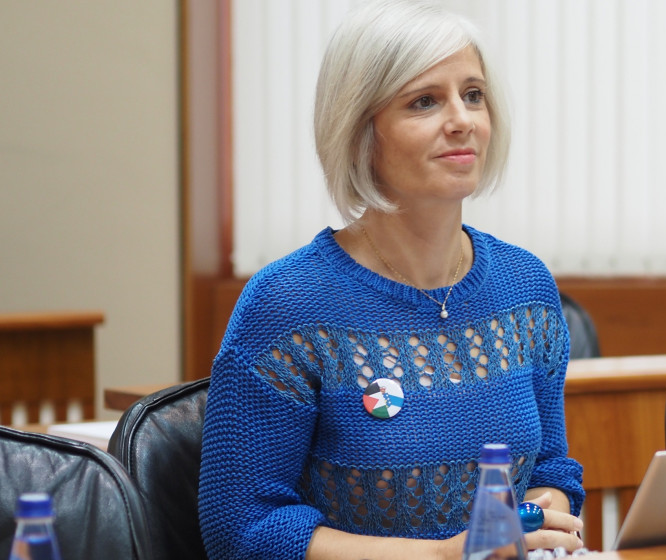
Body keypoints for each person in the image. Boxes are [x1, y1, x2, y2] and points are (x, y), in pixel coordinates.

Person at [197, 0, 585, 558]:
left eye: (473, 95)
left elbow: (551, 465)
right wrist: (443, 555)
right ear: (361, 131)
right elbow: (243, 529)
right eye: (424, 101)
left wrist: (540, 511)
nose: (462, 120)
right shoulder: (287, 304)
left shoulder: (527, 286)